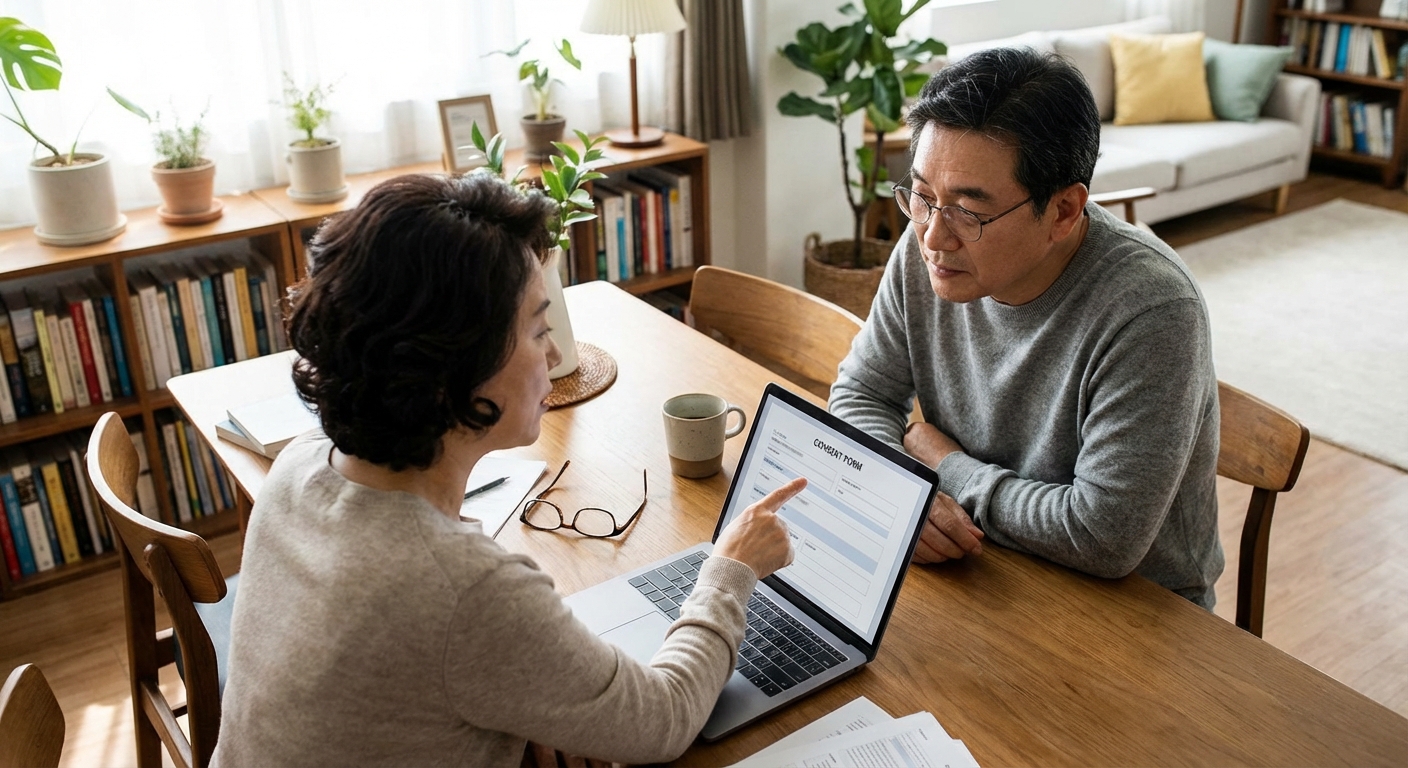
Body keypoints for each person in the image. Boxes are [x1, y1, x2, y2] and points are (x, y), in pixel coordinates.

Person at [212, 172, 806, 766]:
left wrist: (518, 710)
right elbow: (663, 718)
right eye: (538, 328)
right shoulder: (464, 588)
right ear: (458, 365)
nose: (552, 354)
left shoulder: (298, 467)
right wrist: (729, 570)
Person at [829, 47, 1224, 608]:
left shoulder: (1153, 309)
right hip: (981, 563)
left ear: (1063, 211)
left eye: (969, 211)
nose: (934, 237)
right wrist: (896, 486)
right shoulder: (929, 248)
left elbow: (1102, 536)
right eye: (921, 194)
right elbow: (862, 390)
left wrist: (944, 467)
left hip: (1133, 613)